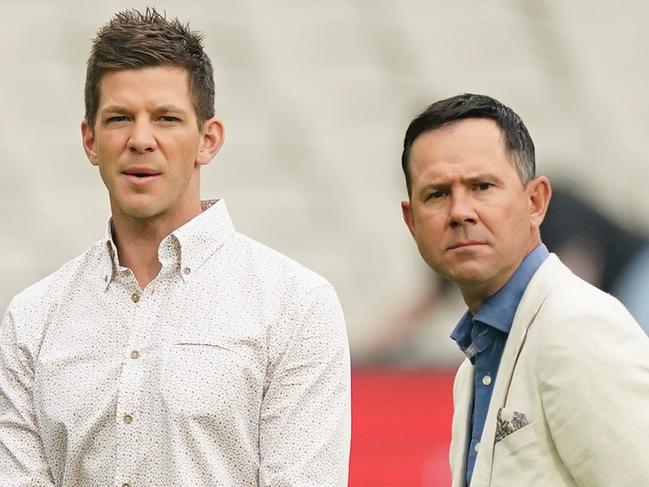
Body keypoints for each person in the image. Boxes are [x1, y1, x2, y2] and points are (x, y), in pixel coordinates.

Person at [0, 8, 350, 487]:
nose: (141, 140)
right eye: (119, 118)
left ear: (208, 140)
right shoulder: (31, 319)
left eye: (166, 119)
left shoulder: (295, 306)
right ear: (90, 141)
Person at [400, 93, 649, 486]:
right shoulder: (473, 366)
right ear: (412, 221)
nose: (460, 211)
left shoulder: (578, 327)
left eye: (482, 186)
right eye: (437, 194)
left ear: (535, 202)